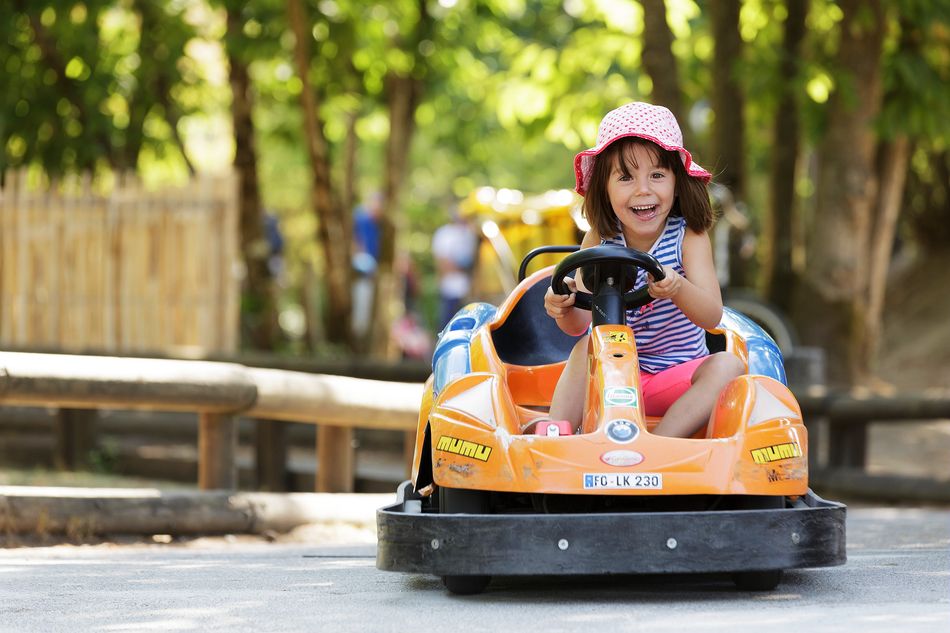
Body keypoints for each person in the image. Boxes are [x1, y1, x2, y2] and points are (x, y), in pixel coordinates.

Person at [543, 101, 745, 438]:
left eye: (657, 175)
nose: (643, 189)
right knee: (586, 347)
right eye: (625, 177)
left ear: (676, 181)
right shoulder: (600, 238)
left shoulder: (688, 237)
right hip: (614, 376)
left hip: (677, 381)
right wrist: (562, 305)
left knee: (729, 365)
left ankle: (661, 443)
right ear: (604, 188)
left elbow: (712, 316)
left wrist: (679, 288)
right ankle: (556, 436)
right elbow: (578, 325)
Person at [432, 206, 478, 329]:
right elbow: (442, 263)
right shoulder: (445, 234)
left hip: (466, 289)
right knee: (447, 324)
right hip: (450, 288)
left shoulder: (469, 233)